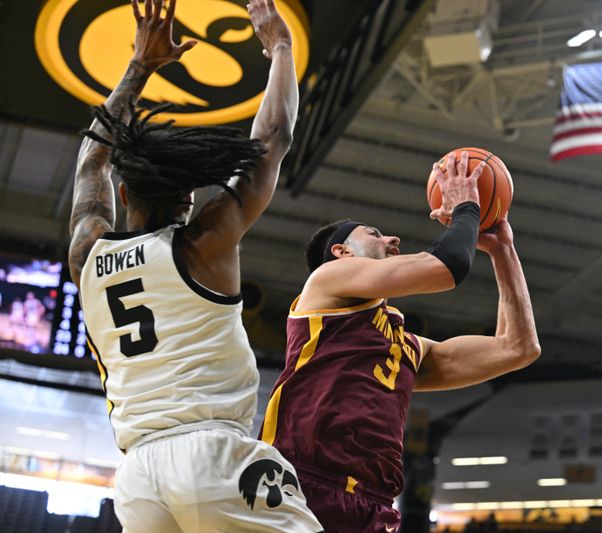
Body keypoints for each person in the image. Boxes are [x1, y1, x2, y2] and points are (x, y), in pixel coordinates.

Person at [68, 0, 321, 531]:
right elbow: (271, 142)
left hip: (137, 477)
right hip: (211, 457)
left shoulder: (88, 253)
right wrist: (280, 47)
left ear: (121, 189)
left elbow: (91, 156)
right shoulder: (203, 241)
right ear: (188, 198)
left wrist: (138, 67)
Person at [260, 152, 541, 532]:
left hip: (374, 504)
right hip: (301, 482)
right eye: (374, 234)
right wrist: (466, 208)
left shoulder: (408, 347)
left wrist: (503, 251)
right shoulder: (328, 282)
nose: (392, 238)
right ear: (341, 253)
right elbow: (447, 268)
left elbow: (518, 348)